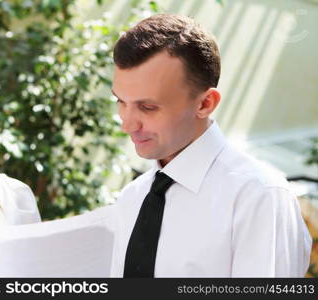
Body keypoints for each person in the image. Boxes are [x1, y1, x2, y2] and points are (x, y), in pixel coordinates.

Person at [109, 14, 312, 277]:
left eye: (148, 107)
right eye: (121, 102)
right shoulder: (132, 198)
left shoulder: (259, 197)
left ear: (205, 104)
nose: (127, 125)